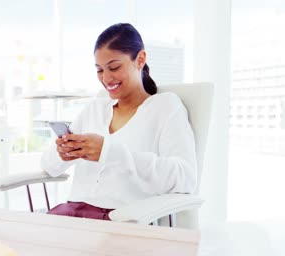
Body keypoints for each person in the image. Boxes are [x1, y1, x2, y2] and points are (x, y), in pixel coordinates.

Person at [41, 23, 197, 220]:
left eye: (114, 67)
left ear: (140, 59)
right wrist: (62, 153)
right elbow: (49, 167)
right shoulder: (95, 108)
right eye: (99, 70)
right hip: (70, 214)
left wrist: (109, 152)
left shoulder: (165, 107)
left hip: (120, 219)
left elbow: (185, 178)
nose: (106, 78)